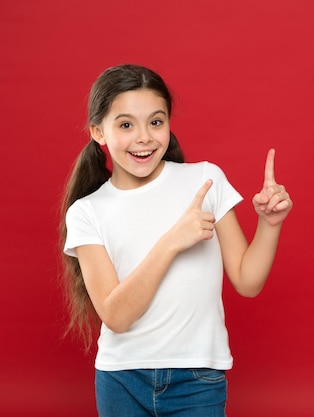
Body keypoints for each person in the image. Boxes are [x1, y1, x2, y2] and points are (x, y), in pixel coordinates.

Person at [59, 64, 292, 417]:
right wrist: (172, 241)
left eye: (156, 121)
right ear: (98, 132)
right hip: (122, 378)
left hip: (197, 378)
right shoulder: (87, 212)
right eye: (126, 124)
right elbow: (116, 316)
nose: (144, 137)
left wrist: (269, 224)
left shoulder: (204, 180)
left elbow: (247, 281)